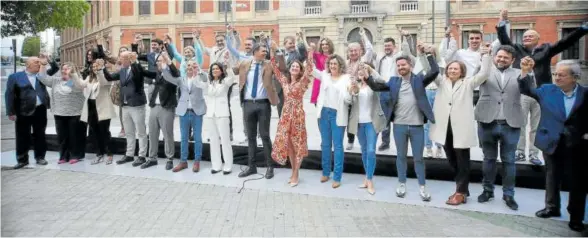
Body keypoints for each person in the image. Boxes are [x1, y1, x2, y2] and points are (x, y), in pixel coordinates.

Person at [496, 10, 588, 164]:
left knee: (537, 125)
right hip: (523, 92)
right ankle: (519, 152)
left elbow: (564, 43)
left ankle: (533, 154)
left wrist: (582, 29)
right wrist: (502, 23)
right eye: (525, 36)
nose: (526, 37)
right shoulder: (517, 49)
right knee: (520, 123)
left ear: (537, 39)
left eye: (530, 36)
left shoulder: (545, 49)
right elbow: (504, 40)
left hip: (542, 93)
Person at [518, 58, 587, 232]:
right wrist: (525, 71)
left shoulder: (585, 94)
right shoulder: (547, 90)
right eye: (555, 74)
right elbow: (527, 89)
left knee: (578, 181)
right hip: (551, 141)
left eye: (561, 75)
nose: (556, 77)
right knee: (552, 176)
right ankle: (552, 208)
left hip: (577, 143)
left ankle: (576, 216)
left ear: (575, 77)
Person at [365, 55, 439, 201]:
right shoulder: (394, 81)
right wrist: (367, 77)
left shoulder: (419, 80)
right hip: (399, 126)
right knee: (401, 157)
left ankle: (422, 186)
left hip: (417, 125)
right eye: (398, 66)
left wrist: (429, 55)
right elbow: (376, 87)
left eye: (403, 65)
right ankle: (401, 183)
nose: (401, 68)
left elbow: (434, 71)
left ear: (410, 65)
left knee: (419, 158)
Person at [427, 43, 491, 205]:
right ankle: (463, 188)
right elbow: (432, 71)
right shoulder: (442, 82)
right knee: (451, 159)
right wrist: (426, 56)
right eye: (450, 68)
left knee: (463, 161)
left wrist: (486, 56)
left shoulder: (468, 83)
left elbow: (484, 73)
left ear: (462, 71)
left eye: (456, 69)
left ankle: (460, 192)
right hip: (445, 128)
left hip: (460, 128)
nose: (452, 71)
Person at [475, 45, 528, 210]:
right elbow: (475, 80)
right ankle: (487, 191)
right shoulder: (484, 69)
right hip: (487, 121)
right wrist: (484, 58)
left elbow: (528, 89)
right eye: (499, 56)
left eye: (506, 57)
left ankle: (509, 195)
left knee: (509, 161)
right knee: (488, 159)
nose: (501, 59)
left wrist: (527, 72)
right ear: (494, 56)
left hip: (510, 123)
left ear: (512, 60)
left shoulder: (520, 73)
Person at [269, 41, 312, 187]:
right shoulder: (285, 82)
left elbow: (310, 68)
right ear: (290, 69)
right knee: (289, 146)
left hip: (298, 117)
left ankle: (296, 173)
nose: (294, 68)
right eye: (293, 66)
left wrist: (310, 51)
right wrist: (272, 52)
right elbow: (275, 69)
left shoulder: (303, 82)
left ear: (300, 70)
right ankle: (294, 172)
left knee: (297, 145)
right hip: (286, 116)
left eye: (297, 67)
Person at [103, 51, 156, 166]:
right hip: (125, 106)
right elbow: (109, 77)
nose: (120, 60)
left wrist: (134, 61)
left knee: (141, 132)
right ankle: (129, 154)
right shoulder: (122, 71)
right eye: (120, 57)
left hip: (137, 105)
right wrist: (103, 68)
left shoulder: (137, 70)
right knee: (129, 132)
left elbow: (137, 75)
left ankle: (142, 156)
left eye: (122, 58)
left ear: (128, 59)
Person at [234, 44, 279, 179]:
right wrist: (228, 59)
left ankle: (270, 166)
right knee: (251, 137)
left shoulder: (269, 64)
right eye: (262, 50)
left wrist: (277, 51)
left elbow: (282, 68)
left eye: (266, 50)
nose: (265, 52)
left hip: (263, 104)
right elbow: (233, 70)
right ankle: (251, 166)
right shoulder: (244, 63)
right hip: (248, 104)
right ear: (255, 52)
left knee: (265, 136)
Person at [311, 54, 352, 188]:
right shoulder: (324, 75)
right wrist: (309, 51)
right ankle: (326, 172)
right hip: (324, 113)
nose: (332, 66)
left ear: (340, 65)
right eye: (331, 64)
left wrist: (351, 93)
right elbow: (311, 70)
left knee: (338, 146)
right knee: (325, 145)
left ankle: (337, 177)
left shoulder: (347, 78)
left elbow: (349, 98)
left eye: (335, 64)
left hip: (338, 114)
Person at [347, 63, 387, 195]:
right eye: (359, 70)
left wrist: (370, 71)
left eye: (363, 70)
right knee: (364, 151)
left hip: (372, 123)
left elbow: (383, 81)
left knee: (370, 151)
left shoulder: (373, 85)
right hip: (359, 124)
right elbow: (349, 102)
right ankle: (366, 177)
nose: (361, 71)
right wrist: (351, 92)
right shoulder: (355, 85)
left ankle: (369, 180)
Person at [161, 59, 206, 173]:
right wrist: (164, 65)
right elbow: (168, 77)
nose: (190, 67)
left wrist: (199, 71)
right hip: (184, 111)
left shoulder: (200, 77)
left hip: (197, 111)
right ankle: (183, 161)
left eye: (193, 65)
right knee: (183, 138)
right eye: (188, 65)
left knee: (197, 138)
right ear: (185, 68)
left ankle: (197, 161)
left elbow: (206, 79)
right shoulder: (181, 79)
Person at [4, 57, 50, 169]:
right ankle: (22, 159)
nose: (38, 64)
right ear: (28, 65)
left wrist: (47, 61)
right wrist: (11, 112)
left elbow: (54, 68)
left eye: (39, 62)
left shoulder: (41, 75)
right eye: (36, 62)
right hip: (23, 111)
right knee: (22, 136)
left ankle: (40, 157)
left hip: (40, 110)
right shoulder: (15, 77)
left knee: (40, 134)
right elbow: (9, 94)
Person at [37, 59, 85, 164]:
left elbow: (79, 88)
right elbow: (42, 77)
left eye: (67, 68)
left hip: (74, 113)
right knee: (62, 136)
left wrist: (70, 77)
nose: (64, 70)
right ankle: (63, 156)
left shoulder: (77, 80)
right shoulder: (55, 80)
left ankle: (74, 155)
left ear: (73, 70)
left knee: (73, 136)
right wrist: (43, 64)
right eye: (63, 68)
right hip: (59, 113)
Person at [71, 59, 117, 165]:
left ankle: (109, 154)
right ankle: (99, 153)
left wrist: (101, 70)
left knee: (104, 132)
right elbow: (80, 85)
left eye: (96, 66)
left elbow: (104, 82)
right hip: (91, 107)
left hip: (102, 108)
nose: (94, 68)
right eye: (93, 66)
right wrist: (74, 73)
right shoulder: (89, 78)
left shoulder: (106, 77)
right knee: (95, 132)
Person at [374, 34, 412, 151]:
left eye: (389, 46)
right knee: (385, 118)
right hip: (383, 89)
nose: (387, 48)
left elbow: (407, 52)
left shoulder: (399, 57)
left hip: (397, 89)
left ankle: (402, 143)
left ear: (394, 47)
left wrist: (405, 38)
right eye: (385, 46)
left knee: (400, 117)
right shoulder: (380, 58)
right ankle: (385, 142)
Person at [143, 51, 180, 170]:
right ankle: (152, 158)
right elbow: (144, 73)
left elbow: (176, 73)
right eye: (157, 61)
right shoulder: (157, 73)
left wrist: (168, 62)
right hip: (155, 106)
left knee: (167, 134)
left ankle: (169, 159)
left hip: (167, 107)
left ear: (165, 61)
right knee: (152, 133)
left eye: (160, 60)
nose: (158, 63)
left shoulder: (172, 74)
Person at [345, 27, 374, 150]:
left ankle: (365, 140)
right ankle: (350, 140)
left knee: (362, 118)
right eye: (351, 51)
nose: (353, 53)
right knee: (349, 118)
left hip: (362, 94)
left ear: (360, 51)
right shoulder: (345, 63)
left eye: (355, 50)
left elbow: (370, 49)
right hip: (349, 94)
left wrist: (363, 36)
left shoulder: (364, 61)